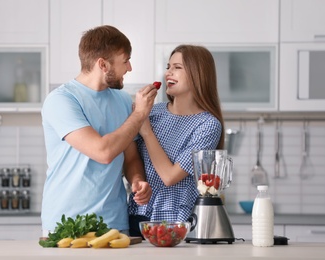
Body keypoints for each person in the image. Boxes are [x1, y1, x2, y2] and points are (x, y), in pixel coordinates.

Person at [41, 25, 158, 236]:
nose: (130, 68)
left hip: (114, 223)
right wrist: (139, 114)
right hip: (65, 224)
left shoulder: (122, 100)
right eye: (125, 61)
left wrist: (137, 181)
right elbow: (102, 152)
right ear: (103, 64)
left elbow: (130, 157)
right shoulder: (61, 100)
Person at [128, 44, 225, 237]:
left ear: (199, 74)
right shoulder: (152, 112)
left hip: (176, 222)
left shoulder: (208, 125)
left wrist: (146, 131)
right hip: (138, 216)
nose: (168, 73)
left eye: (177, 68)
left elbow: (170, 177)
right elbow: (130, 157)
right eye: (168, 67)